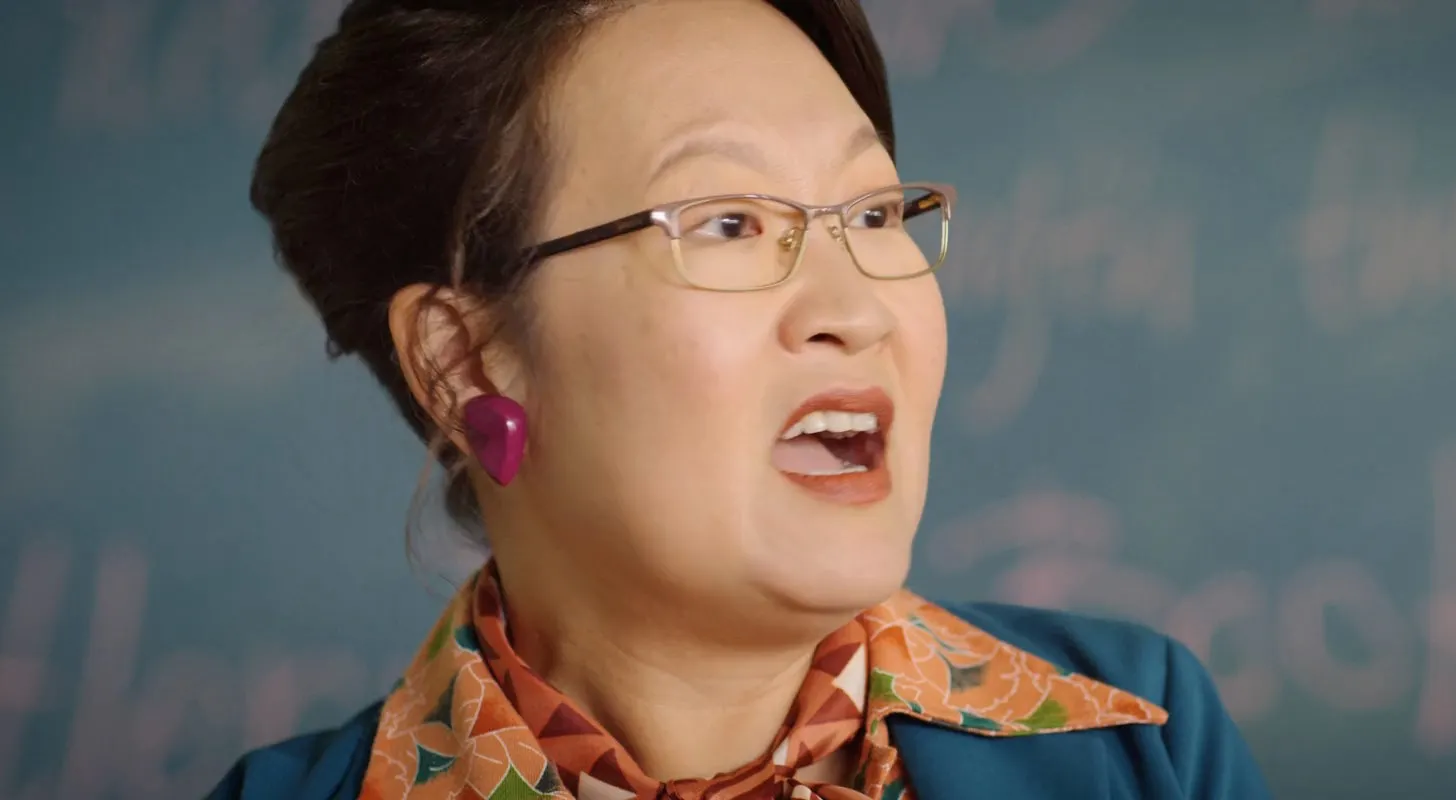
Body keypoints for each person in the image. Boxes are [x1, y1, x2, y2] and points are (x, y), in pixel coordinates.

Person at [210, 0, 1269, 798]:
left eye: (873, 212)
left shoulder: (1146, 746)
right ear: (464, 361)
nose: (857, 308)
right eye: (728, 223)